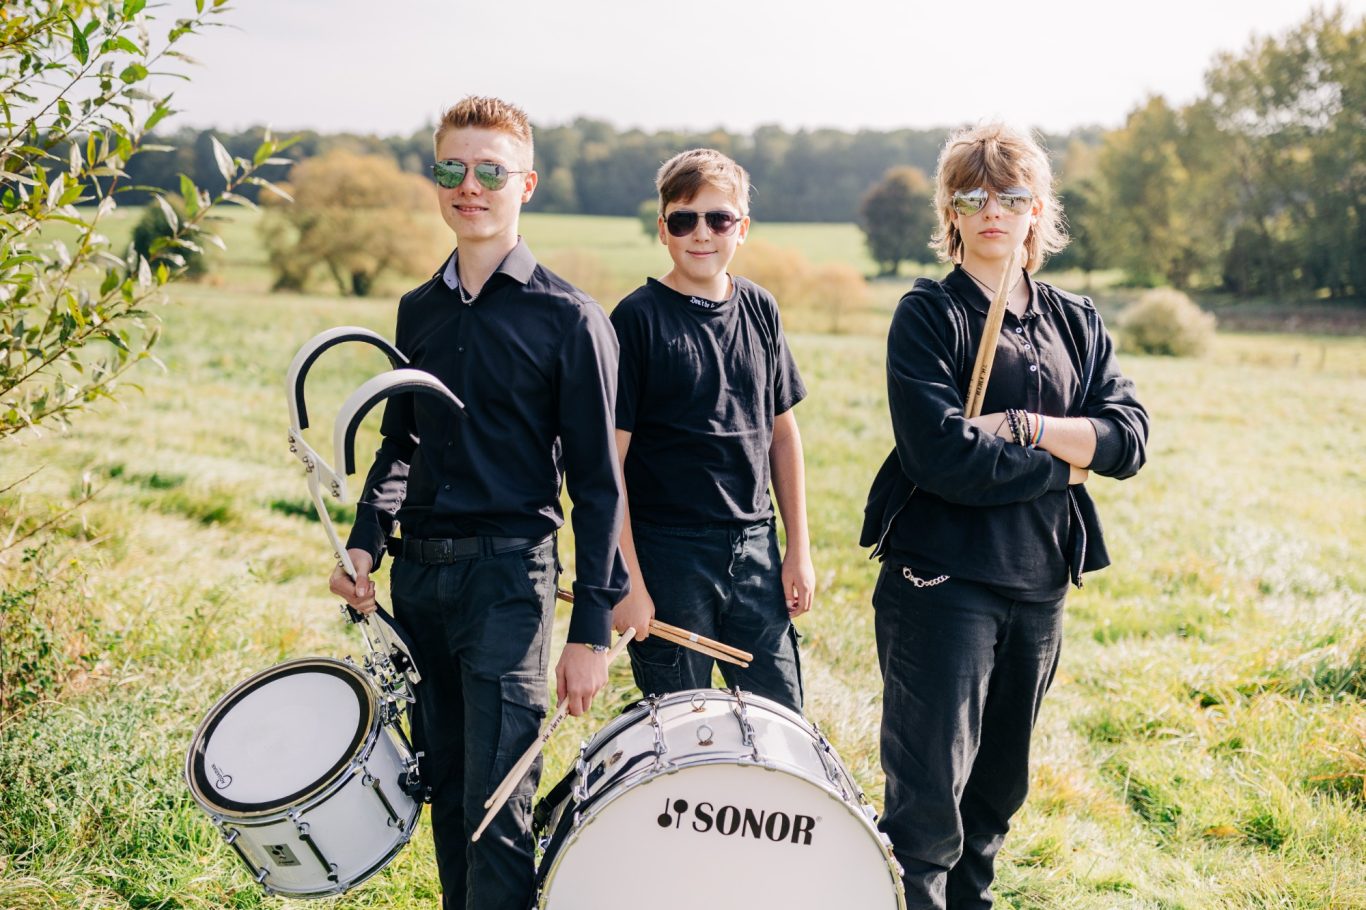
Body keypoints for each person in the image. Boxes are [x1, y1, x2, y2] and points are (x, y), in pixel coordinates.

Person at [328, 96, 627, 910]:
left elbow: (598, 486)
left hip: (508, 585)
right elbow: (401, 445)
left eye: (491, 171)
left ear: (524, 183)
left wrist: (591, 631)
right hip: (420, 585)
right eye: (452, 169)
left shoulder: (571, 319)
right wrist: (364, 541)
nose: (470, 187)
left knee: (498, 810)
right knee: (449, 793)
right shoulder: (417, 310)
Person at [860, 123, 1149, 909]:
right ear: (950, 213)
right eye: (973, 197)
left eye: (1012, 197)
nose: (993, 211)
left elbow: (1128, 438)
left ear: (1037, 211)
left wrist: (1024, 428)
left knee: (993, 804)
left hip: (1038, 584)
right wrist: (1068, 461)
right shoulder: (928, 315)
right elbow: (941, 457)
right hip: (940, 583)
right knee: (927, 814)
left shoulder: (1075, 320)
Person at [609, 148, 813, 713]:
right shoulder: (636, 319)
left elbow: (783, 436)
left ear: (741, 228)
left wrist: (798, 550)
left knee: (780, 720)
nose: (701, 233)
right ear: (663, 230)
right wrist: (628, 581)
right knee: (681, 725)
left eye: (719, 219)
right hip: (668, 556)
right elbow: (609, 465)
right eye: (684, 219)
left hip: (755, 548)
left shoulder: (761, 309)